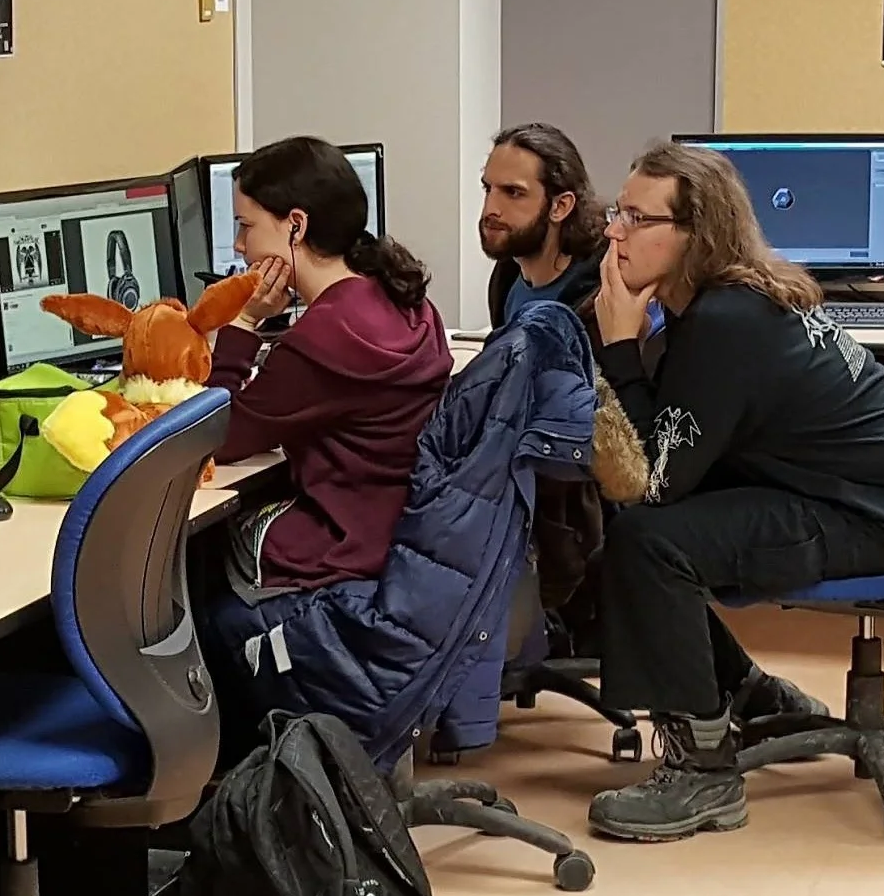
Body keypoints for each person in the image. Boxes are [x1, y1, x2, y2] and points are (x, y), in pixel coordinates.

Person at [584, 141, 884, 843]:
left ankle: (704, 772)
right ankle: (754, 696)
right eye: (616, 212)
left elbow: (654, 481)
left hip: (868, 516)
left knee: (647, 540)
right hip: (868, 495)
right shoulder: (734, 299)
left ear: (696, 236)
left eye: (635, 218)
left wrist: (620, 346)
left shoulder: (726, 321)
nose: (613, 232)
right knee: (655, 533)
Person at [207, 136, 453, 598]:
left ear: (295, 226)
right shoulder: (408, 303)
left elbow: (216, 437)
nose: (240, 246)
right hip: (403, 535)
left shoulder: (317, 342)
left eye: (246, 226)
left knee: (194, 556)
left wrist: (243, 324)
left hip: (341, 545)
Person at [481, 122, 606, 327]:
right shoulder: (507, 274)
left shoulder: (596, 302)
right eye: (488, 189)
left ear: (560, 206)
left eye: (513, 192)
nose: (490, 209)